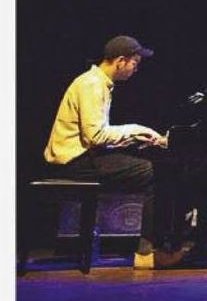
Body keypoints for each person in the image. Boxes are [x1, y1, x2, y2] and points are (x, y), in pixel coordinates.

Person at [43, 35, 185, 269]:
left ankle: (158, 245)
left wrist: (134, 140)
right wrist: (134, 130)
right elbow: (95, 137)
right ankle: (147, 253)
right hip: (73, 161)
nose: (136, 69)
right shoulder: (92, 84)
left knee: (149, 165)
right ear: (120, 61)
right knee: (152, 171)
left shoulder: (99, 83)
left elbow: (96, 137)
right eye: (135, 63)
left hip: (85, 157)